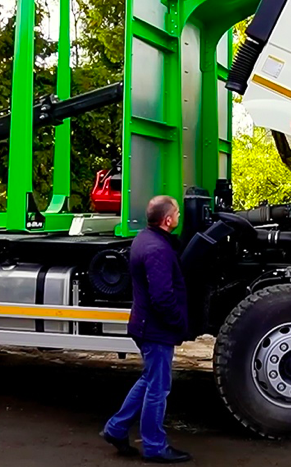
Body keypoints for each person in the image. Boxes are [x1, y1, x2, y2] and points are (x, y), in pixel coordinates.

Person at [101, 195, 191, 463]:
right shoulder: (157, 249)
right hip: (155, 328)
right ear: (168, 220)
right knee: (158, 388)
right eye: (176, 213)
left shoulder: (144, 239)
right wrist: (179, 323)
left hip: (145, 324)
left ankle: (116, 428)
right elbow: (162, 296)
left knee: (150, 380)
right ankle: (154, 446)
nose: (179, 216)